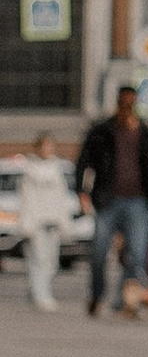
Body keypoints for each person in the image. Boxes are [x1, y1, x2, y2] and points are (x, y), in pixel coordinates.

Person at [76, 84, 148, 317]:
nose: (128, 108)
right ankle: (97, 294)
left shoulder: (146, 134)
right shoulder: (101, 132)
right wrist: (81, 191)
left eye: (132, 104)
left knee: (138, 253)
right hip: (108, 200)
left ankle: (126, 299)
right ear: (118, 103)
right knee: (99, 252)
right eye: (124, 103)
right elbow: (83, 162)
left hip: (139, 202)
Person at [18, 132, 77, 311]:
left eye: (50, 146)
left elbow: (62, 197)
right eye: (44, 146)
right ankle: (41, 295)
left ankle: (40, 288)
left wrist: (65, 222)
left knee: (52, 261)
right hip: (36, 220)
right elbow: (25, 197)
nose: (48, 150)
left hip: (53, 219)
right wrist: (26, 222)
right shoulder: (29, 169)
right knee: (38, 258)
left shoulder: (57, 169)